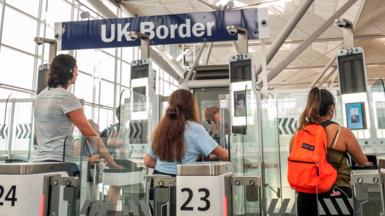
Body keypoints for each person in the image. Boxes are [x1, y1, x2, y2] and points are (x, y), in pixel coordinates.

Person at [290, 87, 369, 216]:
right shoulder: (342, 133)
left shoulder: (298, 135)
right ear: (331, 108)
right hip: (336, 194)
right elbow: (362, 161)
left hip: (306, 197)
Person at [32, 54, 120, 169]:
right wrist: (111, 162)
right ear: (69, 71)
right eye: (76, 70)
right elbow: (90, 134)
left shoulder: (40, 97)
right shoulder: (66, 98)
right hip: (60, 163)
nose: (77, 74)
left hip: (40, 161)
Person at [143, 89, 229, 175]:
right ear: (191, 107)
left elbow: (148, 161)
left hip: (158, 182)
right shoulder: (195, 129)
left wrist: (165, 169)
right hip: (183, 182)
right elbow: (224, 155)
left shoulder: (161, 128)